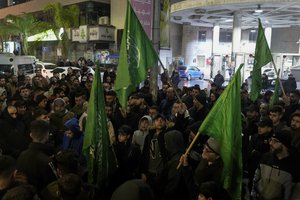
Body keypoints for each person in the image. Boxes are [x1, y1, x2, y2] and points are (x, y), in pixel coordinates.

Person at [251, 130, 299, 200]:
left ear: (284, 144)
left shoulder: (294, 165)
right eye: (271, 140)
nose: (270, 143)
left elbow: (296, 192)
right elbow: (256, 178)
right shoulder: (266, 157)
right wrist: (253, 195)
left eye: (275, 141)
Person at [17, 120, 57, 191]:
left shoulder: (21, 155)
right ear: (47, 135)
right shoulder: (47, 161)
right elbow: (53, 186)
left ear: (31, 135)